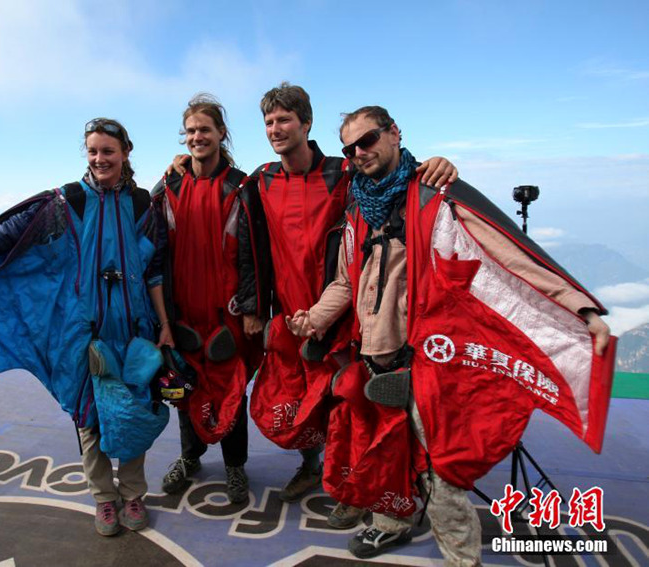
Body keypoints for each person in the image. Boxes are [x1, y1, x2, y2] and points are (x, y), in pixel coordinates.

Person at [286, 105, 612, 564]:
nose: (360, 152)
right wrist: (315, 318)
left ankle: (462, 558)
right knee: (382, 454)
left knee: (442, 471)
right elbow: (345, 280)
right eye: (350, 147)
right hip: (373, 357)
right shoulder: (358, 208)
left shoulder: (436, 196)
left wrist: (581, 309)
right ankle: (390, 524)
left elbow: (508, 256)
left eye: (369, 139)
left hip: (427, 363)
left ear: (395, 132)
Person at [0, 118, 173, 537]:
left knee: (133, 408)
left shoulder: (140, 206)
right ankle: (103, 499)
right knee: (89, 415)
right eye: (93, 151)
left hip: (135, 327)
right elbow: (5, 236)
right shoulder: (67, 204)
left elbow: (153, 271)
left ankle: (133, 494)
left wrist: (165, 325)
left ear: (125, 153)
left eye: (108, 151)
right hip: (81, 332)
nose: (99, 159)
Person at [238, 83, 457, 529]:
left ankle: (361, 488)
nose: (275, 129)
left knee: (348, 402)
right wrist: (177, 168)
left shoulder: (345, 173)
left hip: (351, 312)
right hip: (298, 312)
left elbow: (398, 183)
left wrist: (441, 163)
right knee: (302, 399)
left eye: (284, 120)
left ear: (306, 123)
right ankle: (313, 467)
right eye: (269, 122)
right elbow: (247, 241)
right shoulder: (260, 180)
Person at [152, 94, 265, 504]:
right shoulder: (168, 186)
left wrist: (253, 309)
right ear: (184, 138)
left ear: (221, 134)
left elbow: (254, 252)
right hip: (183, 312)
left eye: (205, 129)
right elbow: (152, 248)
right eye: (191, 130)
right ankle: (190, 457)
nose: (198, 136)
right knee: (185, 389)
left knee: (230, 389)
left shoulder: (241, 186)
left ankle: (235, 466)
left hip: (228, 313)